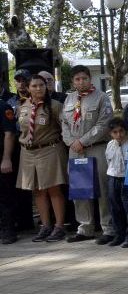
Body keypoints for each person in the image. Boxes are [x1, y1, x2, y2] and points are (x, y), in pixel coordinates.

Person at [61, 65, 114, 244]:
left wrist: (82, 141)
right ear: (72, 82)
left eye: (84, 78)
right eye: (77, 79)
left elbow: (104, 123)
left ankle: (108, 228)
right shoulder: (69, 100)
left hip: (96, 147)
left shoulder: (101, 97)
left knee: (102, 189)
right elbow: (64, 125)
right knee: (80, 190)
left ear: (90, 79)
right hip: (75, 151)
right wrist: (72, 142)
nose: (81, 82)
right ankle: (85, 228)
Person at [18, 75, 68, 242]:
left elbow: (65, 128)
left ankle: (59, 226)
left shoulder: (54, 106)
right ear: (28, 88)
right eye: (34, 86)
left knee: (53, 189)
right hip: (28, 152)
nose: (38, 88)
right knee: (37, 191)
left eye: (41, 85)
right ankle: (45, 225)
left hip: (49, 149)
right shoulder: (23, 106)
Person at [105, 118, 128, 248]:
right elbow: (109, 162)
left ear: (126, 130)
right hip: (113, 177)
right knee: (115, 208)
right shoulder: (110, 145)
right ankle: (119, 234)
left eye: (121, 131)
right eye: (115, 132)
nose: (119, 135)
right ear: (110, 133)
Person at [0, 93, 18, 243]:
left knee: (4, 196)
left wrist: (6, 158)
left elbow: (9, 134)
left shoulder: (3, 106)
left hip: (1, 159)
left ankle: (8, 230)